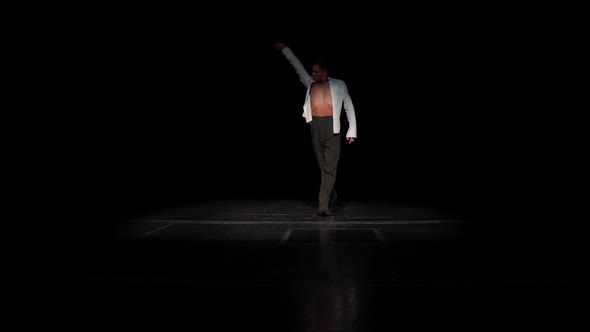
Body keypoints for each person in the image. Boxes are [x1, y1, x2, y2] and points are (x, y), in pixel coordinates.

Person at [275, 42, 357, 217]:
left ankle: (323, 205)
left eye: (316, 71)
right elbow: (296, 65)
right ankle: (332, 195)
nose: (312, 74)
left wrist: (352, 130)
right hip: (316, 127)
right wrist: (285, 50)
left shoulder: (338, 85)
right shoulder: (310, 83)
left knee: (330, 168)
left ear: (325, 72)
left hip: (332, 128)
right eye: (312, 71)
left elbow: (348, 106)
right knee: (323, 168)